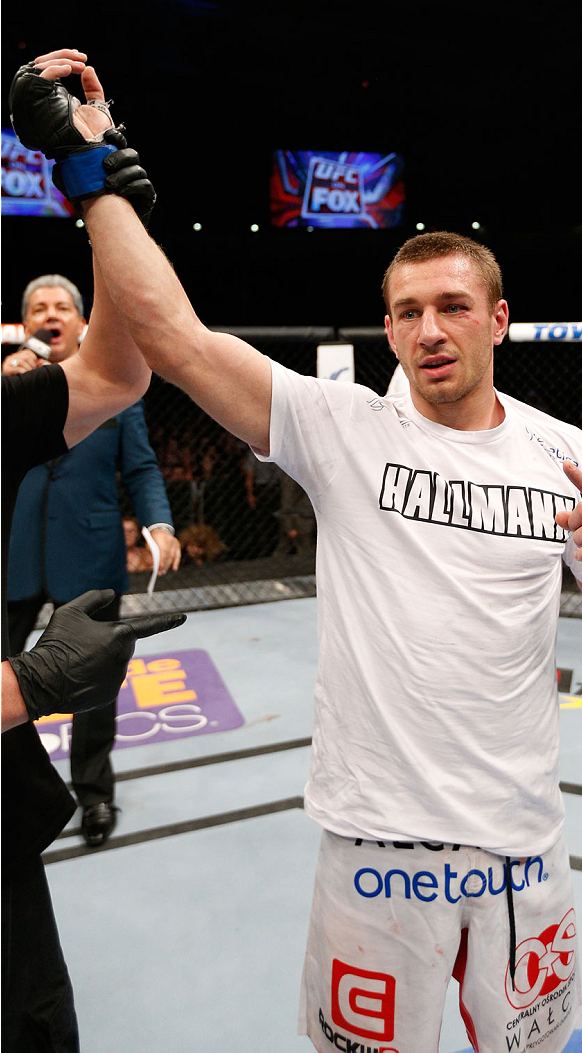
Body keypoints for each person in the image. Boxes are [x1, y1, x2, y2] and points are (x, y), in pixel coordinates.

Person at [14, 51, 582, 1053]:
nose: (429, 330)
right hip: (372, 847)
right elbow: (176, 341)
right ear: (388, 328)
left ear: (498, 319)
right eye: (407, 312)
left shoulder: (566, 453)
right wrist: (93, 181)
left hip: (521, 843)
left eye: (453, 307)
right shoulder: (343, 428)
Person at [1, 69, 186, 1047]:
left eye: (53, 308)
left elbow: (122, 372)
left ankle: (98, 792)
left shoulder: (22, 406)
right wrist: (19, 685)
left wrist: (97, 191)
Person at [5, 274, 181, 848]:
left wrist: (158, 523)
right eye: (38, 307)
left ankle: (95, 794)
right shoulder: (7, 384)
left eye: (61, 306)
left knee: (94, 680)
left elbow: (141, 467)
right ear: (24, 324)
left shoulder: (115, 388)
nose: (49, 314)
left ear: (81, 323)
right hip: (14, 553)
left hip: (90, 552)